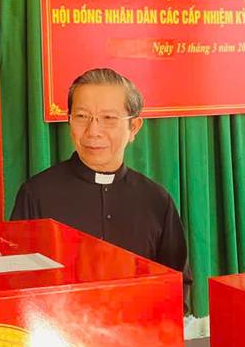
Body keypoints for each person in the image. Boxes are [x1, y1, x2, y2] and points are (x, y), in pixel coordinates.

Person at [10, 68, 191, 292]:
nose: (93, 131)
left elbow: (177, 285)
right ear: (69, 121)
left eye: (108, 118)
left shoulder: (156, 200)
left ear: (133, 127)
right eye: (82, 117)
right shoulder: (36, 194)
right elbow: (17, 282)